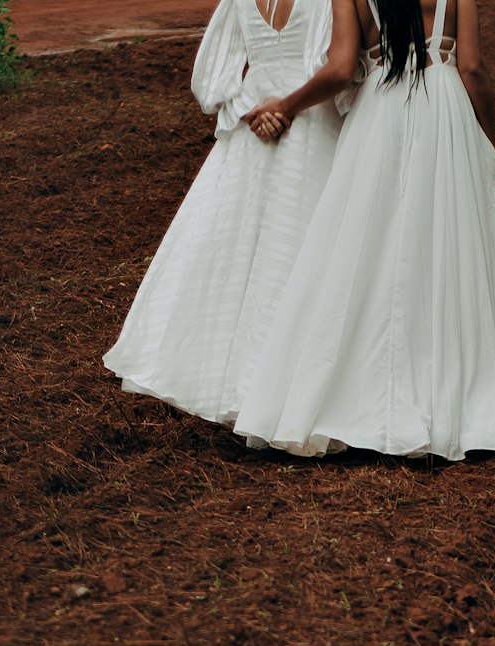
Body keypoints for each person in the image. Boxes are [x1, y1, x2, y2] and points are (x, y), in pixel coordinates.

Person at [232, 0, 495, 460]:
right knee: (448, 245)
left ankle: (357, 396)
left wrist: (286, 104)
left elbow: (340, 69)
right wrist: (490, 143)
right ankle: (454, 396)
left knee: (367, 246)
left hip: (380, 113)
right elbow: (473, 69)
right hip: (445, 113)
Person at [104, 0, 343, 425]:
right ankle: (293, 394)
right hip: (311, 117)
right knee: (306, 254)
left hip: (253, 127)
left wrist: (249, 110)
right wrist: (283, 108)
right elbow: (343, 69)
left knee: (240, 259)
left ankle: (245, 387)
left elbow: (212, 76)